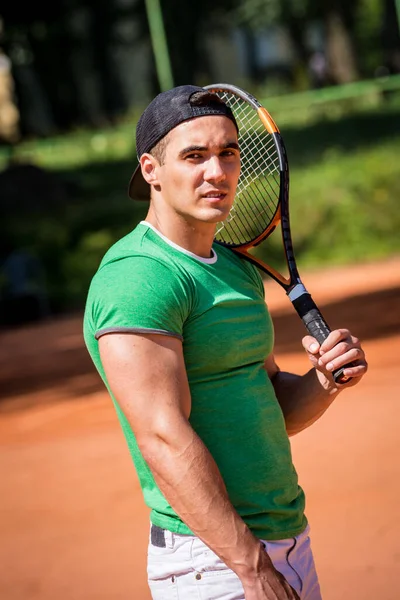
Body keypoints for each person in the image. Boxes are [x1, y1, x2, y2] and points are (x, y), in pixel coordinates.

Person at [83, 85, 367, 600]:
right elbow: (162, 438)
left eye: (228, 153)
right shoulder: (139, 277)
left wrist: (324, 383)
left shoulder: (235, 270)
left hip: (286, 542)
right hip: (215, 562)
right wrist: (249, 566)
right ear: (151, 169)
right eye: (194, 156)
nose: (217, 172)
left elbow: (269, 400)